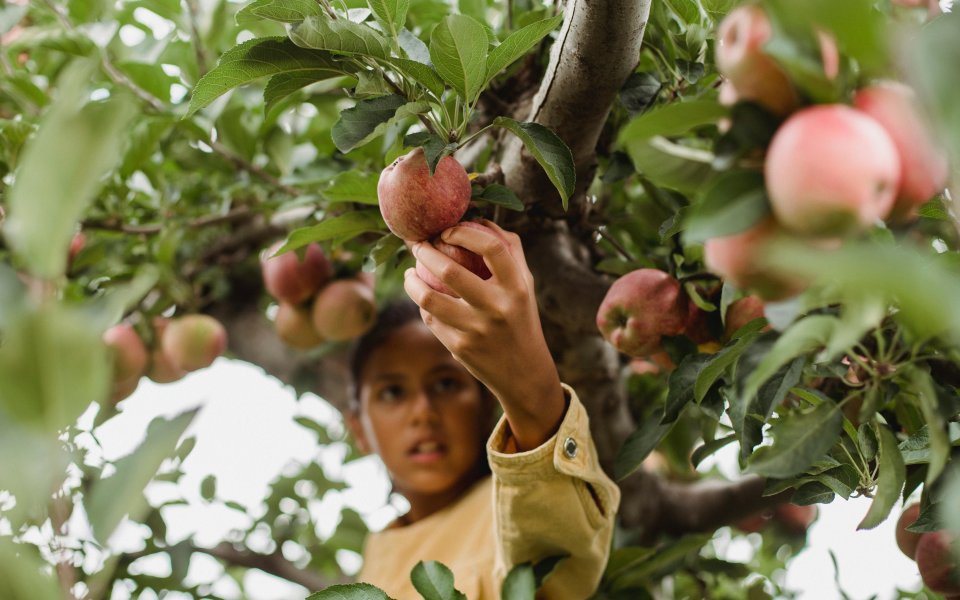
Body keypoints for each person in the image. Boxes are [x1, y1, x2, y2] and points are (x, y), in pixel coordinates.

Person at [345, 219, 620, 599]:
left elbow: (553, 550)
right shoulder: (374, 561)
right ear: (358, 429)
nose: (423, 412)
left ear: (484, 402)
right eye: (392, 393)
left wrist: (531, 390)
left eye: (445, 384)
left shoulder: (513, 504)